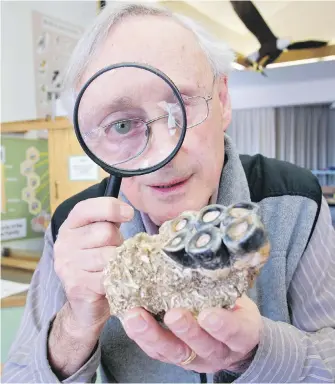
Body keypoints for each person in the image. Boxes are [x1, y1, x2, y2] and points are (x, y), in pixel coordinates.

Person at [3, 2, 335, 383]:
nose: (163, 156)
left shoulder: (295, 200)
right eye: (123, 124)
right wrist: (75, 326)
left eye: (183, 106)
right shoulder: (74, 228)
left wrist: (260, 353)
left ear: (223, 100)